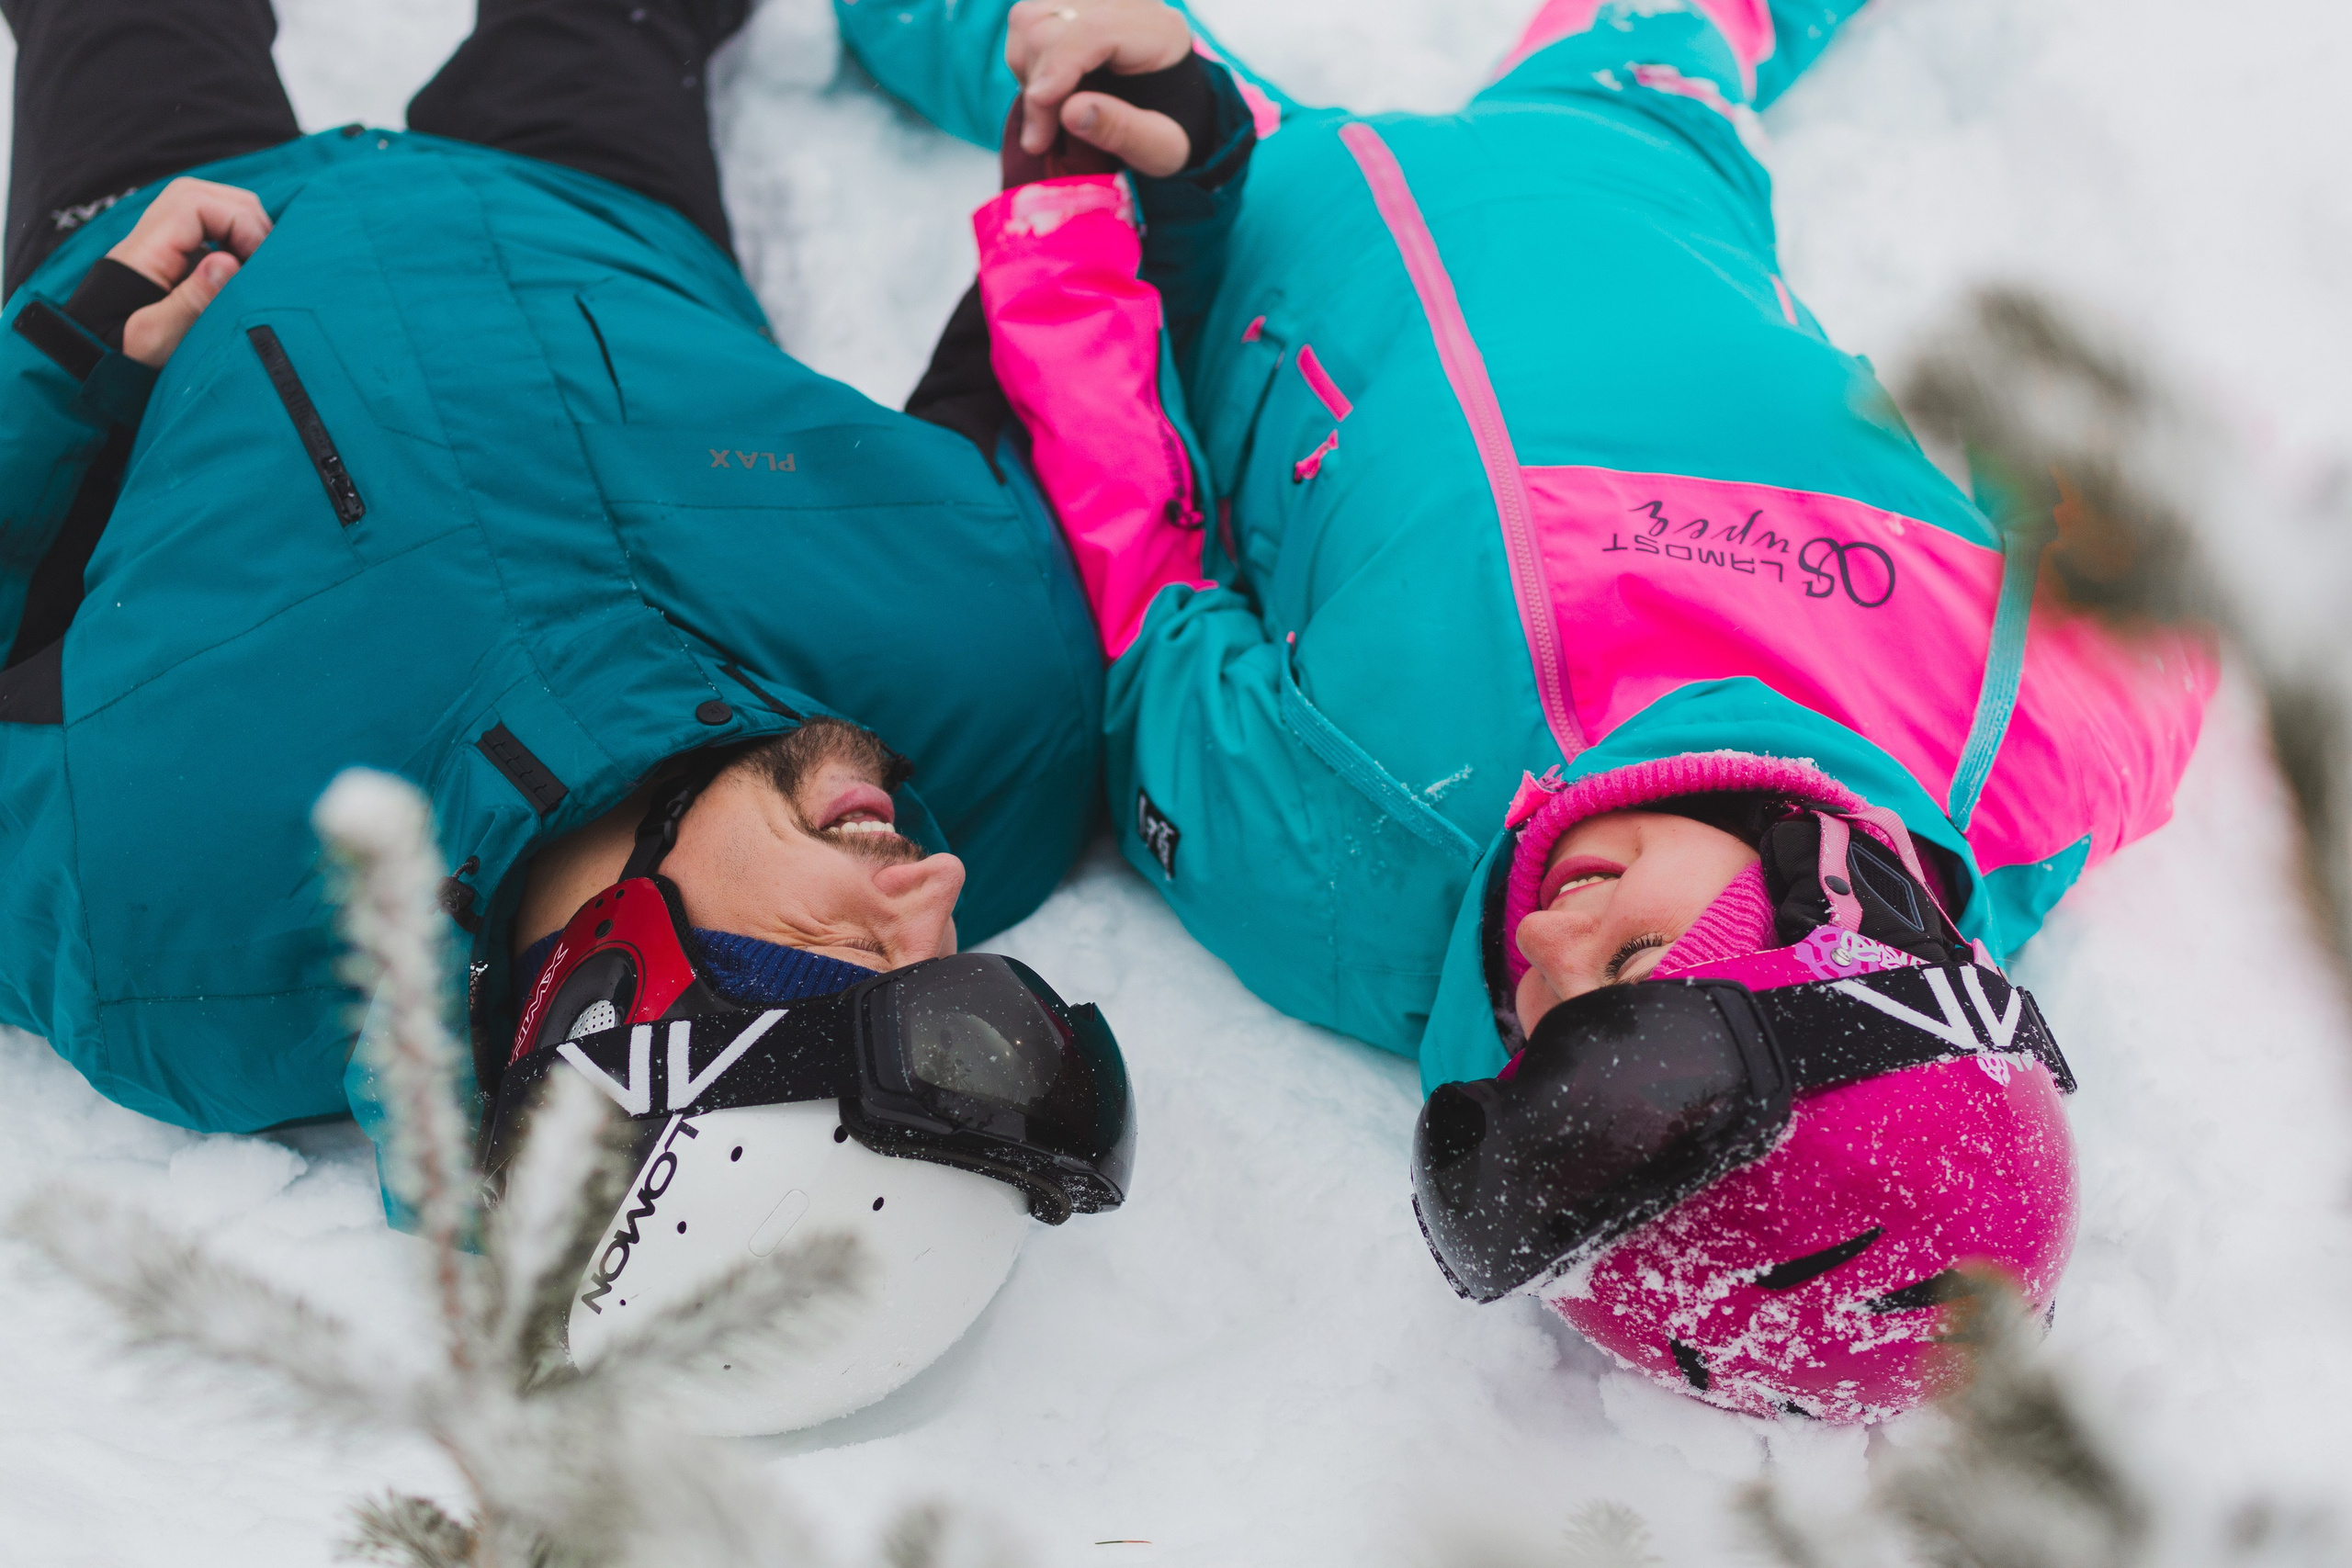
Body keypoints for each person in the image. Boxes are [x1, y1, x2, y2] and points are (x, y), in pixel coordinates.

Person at [841, 0, 2217, 1419]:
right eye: (1632, 956)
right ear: (1842, 908)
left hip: (1275, 204)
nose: (1545, 942)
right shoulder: (2006, 759)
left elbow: (1138, 562)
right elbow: (2166, 603)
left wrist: (1071, 233)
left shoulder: (1348, 866)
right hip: (1636, 156)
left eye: (1538, 1027)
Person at [0, 0, 1127, 1426]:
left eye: (853, 949)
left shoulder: (165, 930)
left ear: (609, 991)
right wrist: (1101, 155)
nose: (938, 884)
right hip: (594, 208)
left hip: (172, 253)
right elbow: (1044, 369)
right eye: (950, 959)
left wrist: (69, 355)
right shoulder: (990, 706)